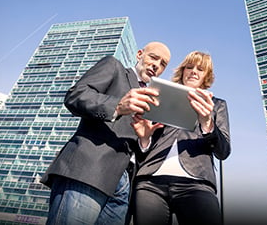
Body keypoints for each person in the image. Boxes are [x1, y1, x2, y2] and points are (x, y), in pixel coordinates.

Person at [40, 41, 171, 225]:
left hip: (124, 188)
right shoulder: (114, 67)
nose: (156, 65)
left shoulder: (154, 101)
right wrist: (117, 106)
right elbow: (76, 95)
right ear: (139, 54)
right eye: (153, 57)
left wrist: (144, 139)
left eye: (163, 64)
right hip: (90, 170)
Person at [131, 51, 231, 225]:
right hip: (150, 182)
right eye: (189, 67)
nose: (193, 71)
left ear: (206, 76)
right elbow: (143, 149)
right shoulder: (160, 98)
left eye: (200, 69)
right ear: (182, 71)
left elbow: (223, 152)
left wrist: (207, 123)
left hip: (197, 183)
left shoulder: (216, 104)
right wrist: (144, 139)